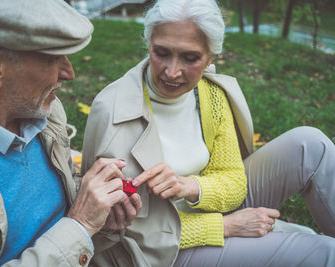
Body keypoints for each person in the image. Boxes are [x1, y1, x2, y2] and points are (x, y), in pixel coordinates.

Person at [81, 0, 335, 266]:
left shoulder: (209, 94)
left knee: (310, 144)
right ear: (149, 45)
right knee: (324, 251)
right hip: (164, 252)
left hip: (208, 206)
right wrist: (224, 226)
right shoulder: (112, 112)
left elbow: (235, 181)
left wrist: (189, 186)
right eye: (162, 52)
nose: (172, 71)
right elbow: (124, 232)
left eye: (190, 58)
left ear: (211, 58)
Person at [0, 0, 142, 266]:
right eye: (53, 57)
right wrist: (81, 225)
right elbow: (73, 229)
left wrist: (101, 221)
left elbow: (58, 225)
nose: (69, 72)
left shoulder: (43, 109)